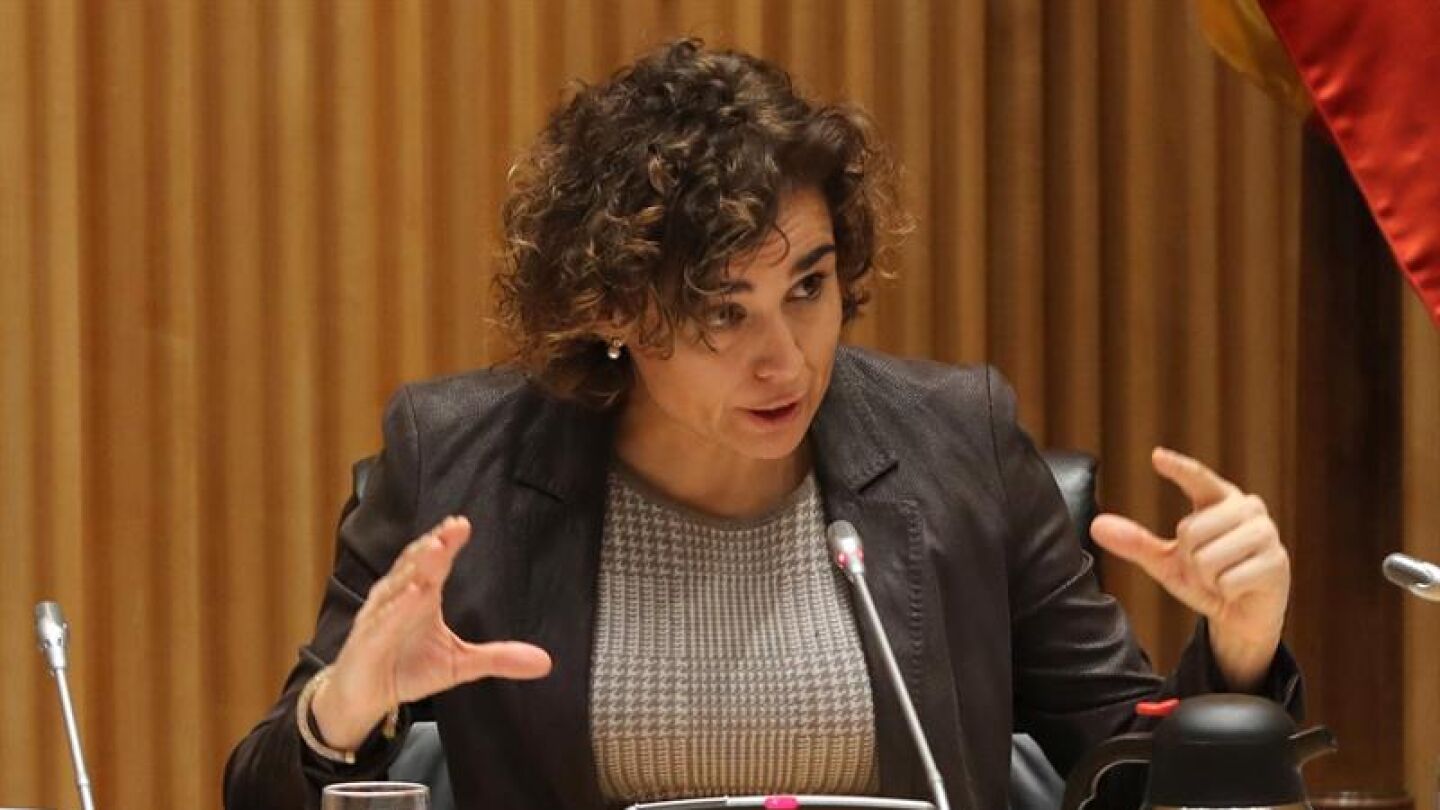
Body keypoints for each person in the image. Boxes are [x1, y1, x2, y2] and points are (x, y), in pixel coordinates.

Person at [223, 38, 1299, 810]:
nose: (784, 358)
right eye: (721, 312)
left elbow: (1135, 775)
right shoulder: (463, 466)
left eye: (807, 288)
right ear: (614, 310)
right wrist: (342, 711)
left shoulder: (958, 443)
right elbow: (261, 788)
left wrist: (1239, 658)